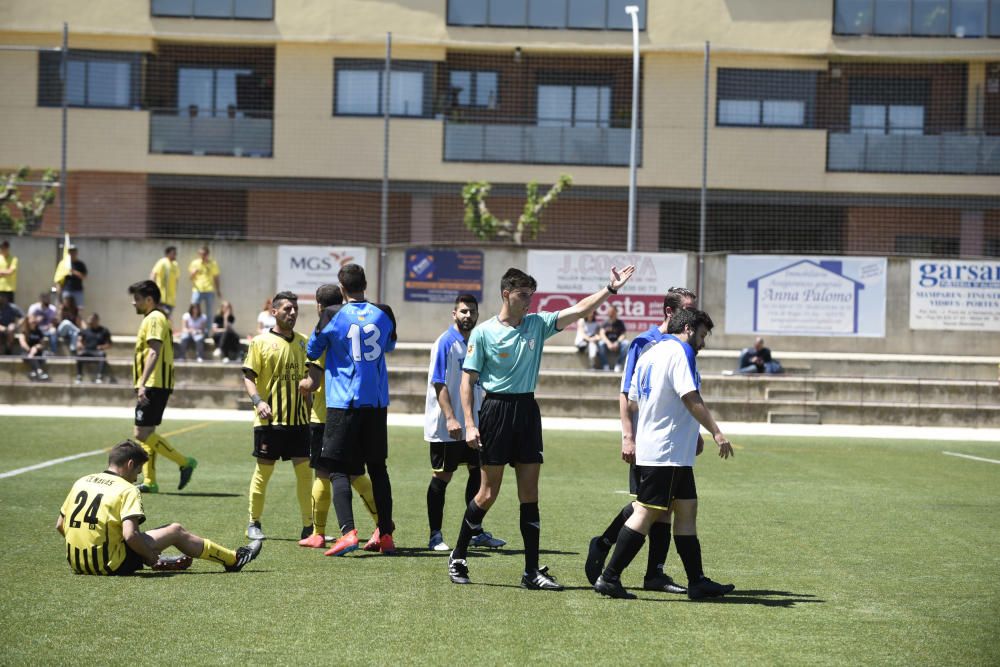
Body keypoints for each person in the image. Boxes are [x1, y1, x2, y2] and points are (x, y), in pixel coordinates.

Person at [447, 264, 636, 589]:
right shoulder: (484, 332)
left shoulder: (537, 324)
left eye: (532, 296)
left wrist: (610, 289)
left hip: (527, 412)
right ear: (506, 293)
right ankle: (459, 555)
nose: (529, 302)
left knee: (530, 494)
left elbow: (578, 311)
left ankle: (531, 571)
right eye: (523, 296)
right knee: (487, 493)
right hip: (495, 411)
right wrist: (469, 423)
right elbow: (468, 381)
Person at [593, 308, 736, 600]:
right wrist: (715, 431)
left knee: (687, 509)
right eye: (702, 335)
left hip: (669, 450)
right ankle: (609, 577)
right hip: (666, 451)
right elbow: (689, 395)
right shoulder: (679, 352)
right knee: (646, 511)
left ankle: (697, 582)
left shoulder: (649, 355)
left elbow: (633, 401)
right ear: (688, 330)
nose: (703, 343)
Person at [586, 287, 697, 594]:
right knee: (649, 506)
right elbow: (626, 392)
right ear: (670, 313)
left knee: (665, 505)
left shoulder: (685, 344)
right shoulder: (645, 343)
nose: (695, 318)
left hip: (672, 441)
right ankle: (606, 542)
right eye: (689, 311)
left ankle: (654, 574)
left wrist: (695, 433)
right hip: (649, 440)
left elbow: (683, 395)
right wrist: (627, 436)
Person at [57, 440, 261, 575]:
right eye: (137, 470)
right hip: (111, 565)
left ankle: (160, 558)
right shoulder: (127, 489)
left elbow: (60, 525)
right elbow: (131, 536)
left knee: (136, 537)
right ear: (129, 464)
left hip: (77, 564)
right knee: (175, 530)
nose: (137, 476)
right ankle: (233, 559)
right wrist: (149, 556)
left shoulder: (82, 481)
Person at [306, 264, 398, 556]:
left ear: (341, 288)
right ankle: (385, 535)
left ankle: (348, 533)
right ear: (366, 284)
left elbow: (311, 350)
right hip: (376, 403)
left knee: (335, 468)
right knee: (378, 470)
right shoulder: (384, 312)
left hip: (344, 403)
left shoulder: (332, 314)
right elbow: (390, 345)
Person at [297, 284, 381, 551]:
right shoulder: (347, 327)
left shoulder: (325, 331)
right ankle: (383, 526)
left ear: (319, 306)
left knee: (324, 473)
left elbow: (314, 379)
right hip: (351, 410)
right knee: (355, 473)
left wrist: (302, 386)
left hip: (326, 416)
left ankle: (319, 532)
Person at [424, 294, 506, 552]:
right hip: (447, 425)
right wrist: (450, 417)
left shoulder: (478, 342)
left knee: (477, 474)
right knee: (442, 477)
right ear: (454, 314)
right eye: (463, 311)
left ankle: (474, 531)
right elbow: (438, 382)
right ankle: (435, 535)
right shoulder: (445, 343)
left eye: (472, 311)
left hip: (475, 423)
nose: (468, 316)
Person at [242, 291, 313, 541]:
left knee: (305, 475)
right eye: (287, 309)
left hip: (300, 421)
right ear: (274, 312)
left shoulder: (305, 342)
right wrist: (258, 401)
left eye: (295, 309)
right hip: (269, 421)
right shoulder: (260, 342)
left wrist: (310, 391)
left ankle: (309, 526)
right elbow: (248, 377)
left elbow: (311, 378)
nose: (292, 313)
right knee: (263, 473)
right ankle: (254, 522)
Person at [129, 280, 197, 494]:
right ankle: (150, 481)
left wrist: (142, 383)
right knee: (148, 432)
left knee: (140, 433)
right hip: (155, 383)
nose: (133, 303)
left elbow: (154, 351)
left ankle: (185, 462)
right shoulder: (154, 317)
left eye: (137, 299)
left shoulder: (155, 318)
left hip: (154, 384)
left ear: (149, 300)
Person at [189, 245, 220, 329]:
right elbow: (190, 277)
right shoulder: (195, 263)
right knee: (193, 310)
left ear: (207, 254)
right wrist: (193, 273)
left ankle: (207, 331)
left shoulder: (213, 263)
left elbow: (216, 278)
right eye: (200, 254)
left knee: (209, 312)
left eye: (204, 254)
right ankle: (192, 328)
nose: (202, 256)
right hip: (197, 290)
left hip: (209, 290)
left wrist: (218, 290)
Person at [76, 312, 112, 383]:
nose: (90, 321)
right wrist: (79, 344)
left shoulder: (104, 331)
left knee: (102, 355)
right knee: (79, 355)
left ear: (97, 320)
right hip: (87, 350)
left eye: (92, 319)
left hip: (97, 351)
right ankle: (79, 376)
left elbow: (109, 344)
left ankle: (99, 377)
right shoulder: (85, 331)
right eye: (89, 320)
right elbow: (80, 339)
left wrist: (102, 347)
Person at [150, 246, 180, 319]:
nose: (175, 255)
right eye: (173, 253)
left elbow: (177, 279)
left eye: (175, 253)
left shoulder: (175, 264)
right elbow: (153, 274)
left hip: (171, 298)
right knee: (159, 317)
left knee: (167, 319)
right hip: (161, 297)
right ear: (168, 253)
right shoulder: (162, 262)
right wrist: (151, 288)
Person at [18, 312, 49, 381]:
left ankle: (34, 372)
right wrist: (30, 350)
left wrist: (36, 347)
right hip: (26, 353)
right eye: (32, 320)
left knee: (45, 354)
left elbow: (42, 344)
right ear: (28, 321)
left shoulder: (39, 331)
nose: (34, 321)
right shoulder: (24, 331)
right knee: (31, 357)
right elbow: (22, 343)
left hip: (37, 352)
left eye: (34, 320)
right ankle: (39, 371)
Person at [597, 306, 628, 372]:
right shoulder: (605, 322)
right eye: (609, 312)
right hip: (607, 343)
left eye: (612, 312)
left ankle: (618, 364)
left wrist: (617, 342)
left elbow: (623, 334)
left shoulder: (620, 323)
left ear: (616, 312)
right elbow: (601, 334)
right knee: (600, 344)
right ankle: (605, 365)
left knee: (626, 344)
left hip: (617, 342)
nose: (611, 314)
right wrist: (608, 343)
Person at [59, 244, 88, 309]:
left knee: (79, 308)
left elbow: (84, 277)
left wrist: (74, 272)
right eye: (70, 252)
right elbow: (59, 278)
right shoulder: (64, 264)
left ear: (76, 253)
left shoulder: (80, 264)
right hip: (67, 290)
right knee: (65, 308)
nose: (72, 254)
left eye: (73, 252)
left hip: (78, 290)